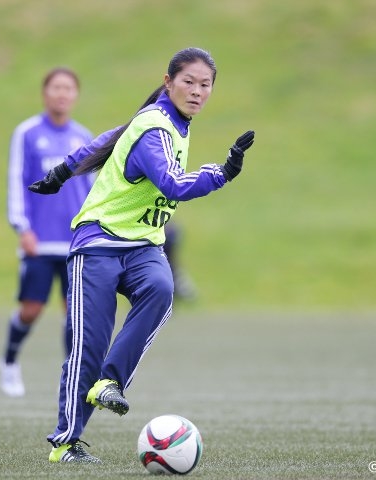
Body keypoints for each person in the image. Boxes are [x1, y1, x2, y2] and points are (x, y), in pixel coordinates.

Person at [28, 47, 255, 464]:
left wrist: (63, 171)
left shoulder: (164, 120)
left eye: (206, 85)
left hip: (142, 245)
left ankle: (108, 383)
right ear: (168, 82)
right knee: (88, 346)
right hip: (98, 243)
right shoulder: (156, 127)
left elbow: (108, 138)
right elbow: (171, 183)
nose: (197, 91)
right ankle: (66, 442)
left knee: (161, 288)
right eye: (188, 81)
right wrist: (222, 173)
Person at [0, 67, 94, 397]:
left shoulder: (83, 137)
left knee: (73, 313)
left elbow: (92, 189)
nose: (62, 93)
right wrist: (22, 227)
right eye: (56, 87)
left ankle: (72, 376)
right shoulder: (27, 133)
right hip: (39, 241)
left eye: (69, 88)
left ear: (76, 95)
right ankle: (9, 362)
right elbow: (17, 180)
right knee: (31, 309)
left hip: (75, 242)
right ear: (45, 93)